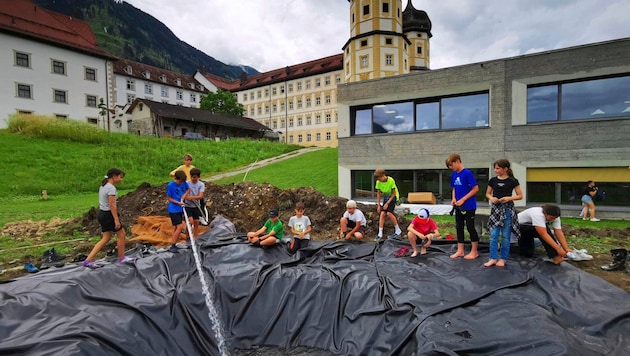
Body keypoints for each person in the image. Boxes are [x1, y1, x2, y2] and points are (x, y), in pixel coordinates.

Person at [83, 168, 134, 268]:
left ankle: (88, 260)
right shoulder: (111, 188)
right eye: (120, 177)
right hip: (109, 214)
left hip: (102, 213)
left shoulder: (103, 186)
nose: (121, 179)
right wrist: (116, 219)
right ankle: (121, 258)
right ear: (114, 176)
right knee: (121, 234)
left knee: (106, 238)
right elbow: (112, 205)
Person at [484, 159, 523, 267]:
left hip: (507, 209)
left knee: (505, 236)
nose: (495, 170)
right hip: (495, 210)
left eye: (498, 168)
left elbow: (520, 195)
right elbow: (487, 193)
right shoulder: (492, 180)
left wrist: (509, 198)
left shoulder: (513, 181)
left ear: (505, 169)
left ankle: (503, 259)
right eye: (495, 168)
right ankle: (492, 258)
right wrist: (492, 198)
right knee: (493, 235)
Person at [446, 153, 480, 259]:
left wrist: (463, 199)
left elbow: (475, 189)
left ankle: (474, 251)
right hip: (458, 206)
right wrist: (454, 198)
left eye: (452, 165)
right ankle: (460, 250)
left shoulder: (467, 173)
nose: (451, 168)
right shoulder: (454, 175)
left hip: (469, 206)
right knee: (459, 227)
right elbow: (454, 188)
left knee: (470, 227)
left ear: (457, 161)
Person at [374, 168, 402, 241]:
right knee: (382, 213)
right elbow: (378, 193)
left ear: (383, 175)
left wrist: (387, 203)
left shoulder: (391, 180)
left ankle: (398, 231)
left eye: (379, 177)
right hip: (386, 196)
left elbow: (394, 193)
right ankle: (380, 234)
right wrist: (379, 205)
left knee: (389, 213)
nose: (378, 179)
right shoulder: (378, 182)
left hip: (393, 196)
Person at [167, 170, 190, 253]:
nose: (181, 183)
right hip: (173, 209)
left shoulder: (184, 183)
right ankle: (172, 245)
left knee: (177, 227)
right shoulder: (171, 185)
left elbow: (188, 189)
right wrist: (178, 202)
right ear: (176, 178)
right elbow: (169, 198)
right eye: (179, 181)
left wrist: (183, 197)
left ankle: (174, 242)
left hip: (181, 208)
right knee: (180, 227)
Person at [184, 168, 205, 239]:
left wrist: (192, 197)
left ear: (198, 177)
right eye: (192, 177)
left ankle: (195, 238)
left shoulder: (201, 185)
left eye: (195, 177)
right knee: (190, 222)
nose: (193, 179)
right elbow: (183, 194)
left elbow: (200, 196)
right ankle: (187, 237)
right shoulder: (186, 184)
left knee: (196, 222)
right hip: (187, 206)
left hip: (196, 206)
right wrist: (187, 197)